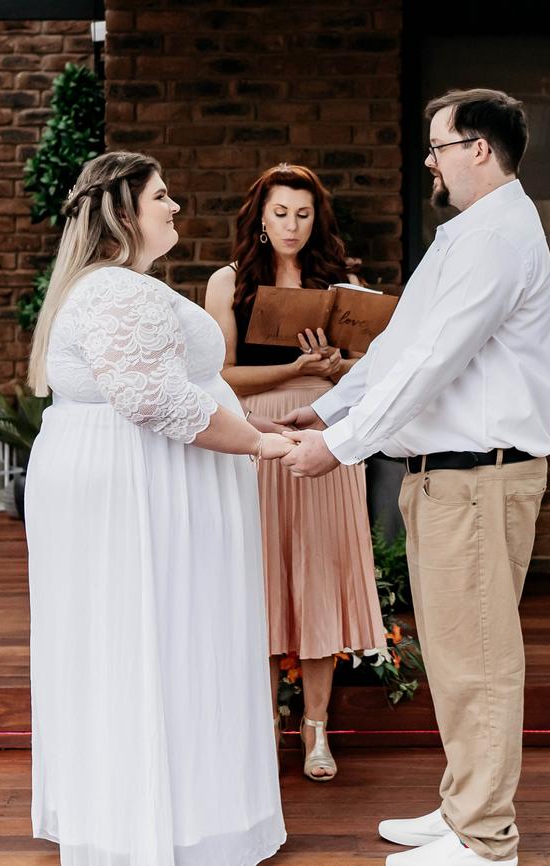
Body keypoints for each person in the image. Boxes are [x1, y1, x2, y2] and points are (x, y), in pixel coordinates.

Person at [280, 90, 550, 866]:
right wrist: (329, 412)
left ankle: (485, 838)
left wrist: (343, 449)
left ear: (478, 148)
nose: (429, 161)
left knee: (478, 662)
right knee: (455, 656)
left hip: (476, 478)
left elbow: (435, 366)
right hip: (447, 479)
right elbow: (405, 344)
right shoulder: (468, 234)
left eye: (437, 146)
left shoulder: (500, 238)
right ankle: (463, 806)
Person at [24, 151, 290, 866]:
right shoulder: (115, 291)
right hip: (139, 489)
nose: (176, 206)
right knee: (155, 633)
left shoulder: (118, 287)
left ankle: (169, 807)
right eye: (162, 196)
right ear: (122, 212)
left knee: (163, 635)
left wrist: (258, 429)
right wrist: (256, 445)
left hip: (143, 477)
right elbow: (155, 400)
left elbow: (170, 386)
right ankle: (156, 822)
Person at [205, 164, 385, 783]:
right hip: (257, 436)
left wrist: (337, 368)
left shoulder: (345, 282)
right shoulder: (227, 283)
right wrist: (290, 371)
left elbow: (372, 366)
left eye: (303, 214)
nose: (291, 225)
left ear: (318, 219)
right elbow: (220, 375)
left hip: (325, 436)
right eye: (280, 213)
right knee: (256, 573)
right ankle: (254, 726)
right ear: (260, 215)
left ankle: (315, 727)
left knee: (318, 572)